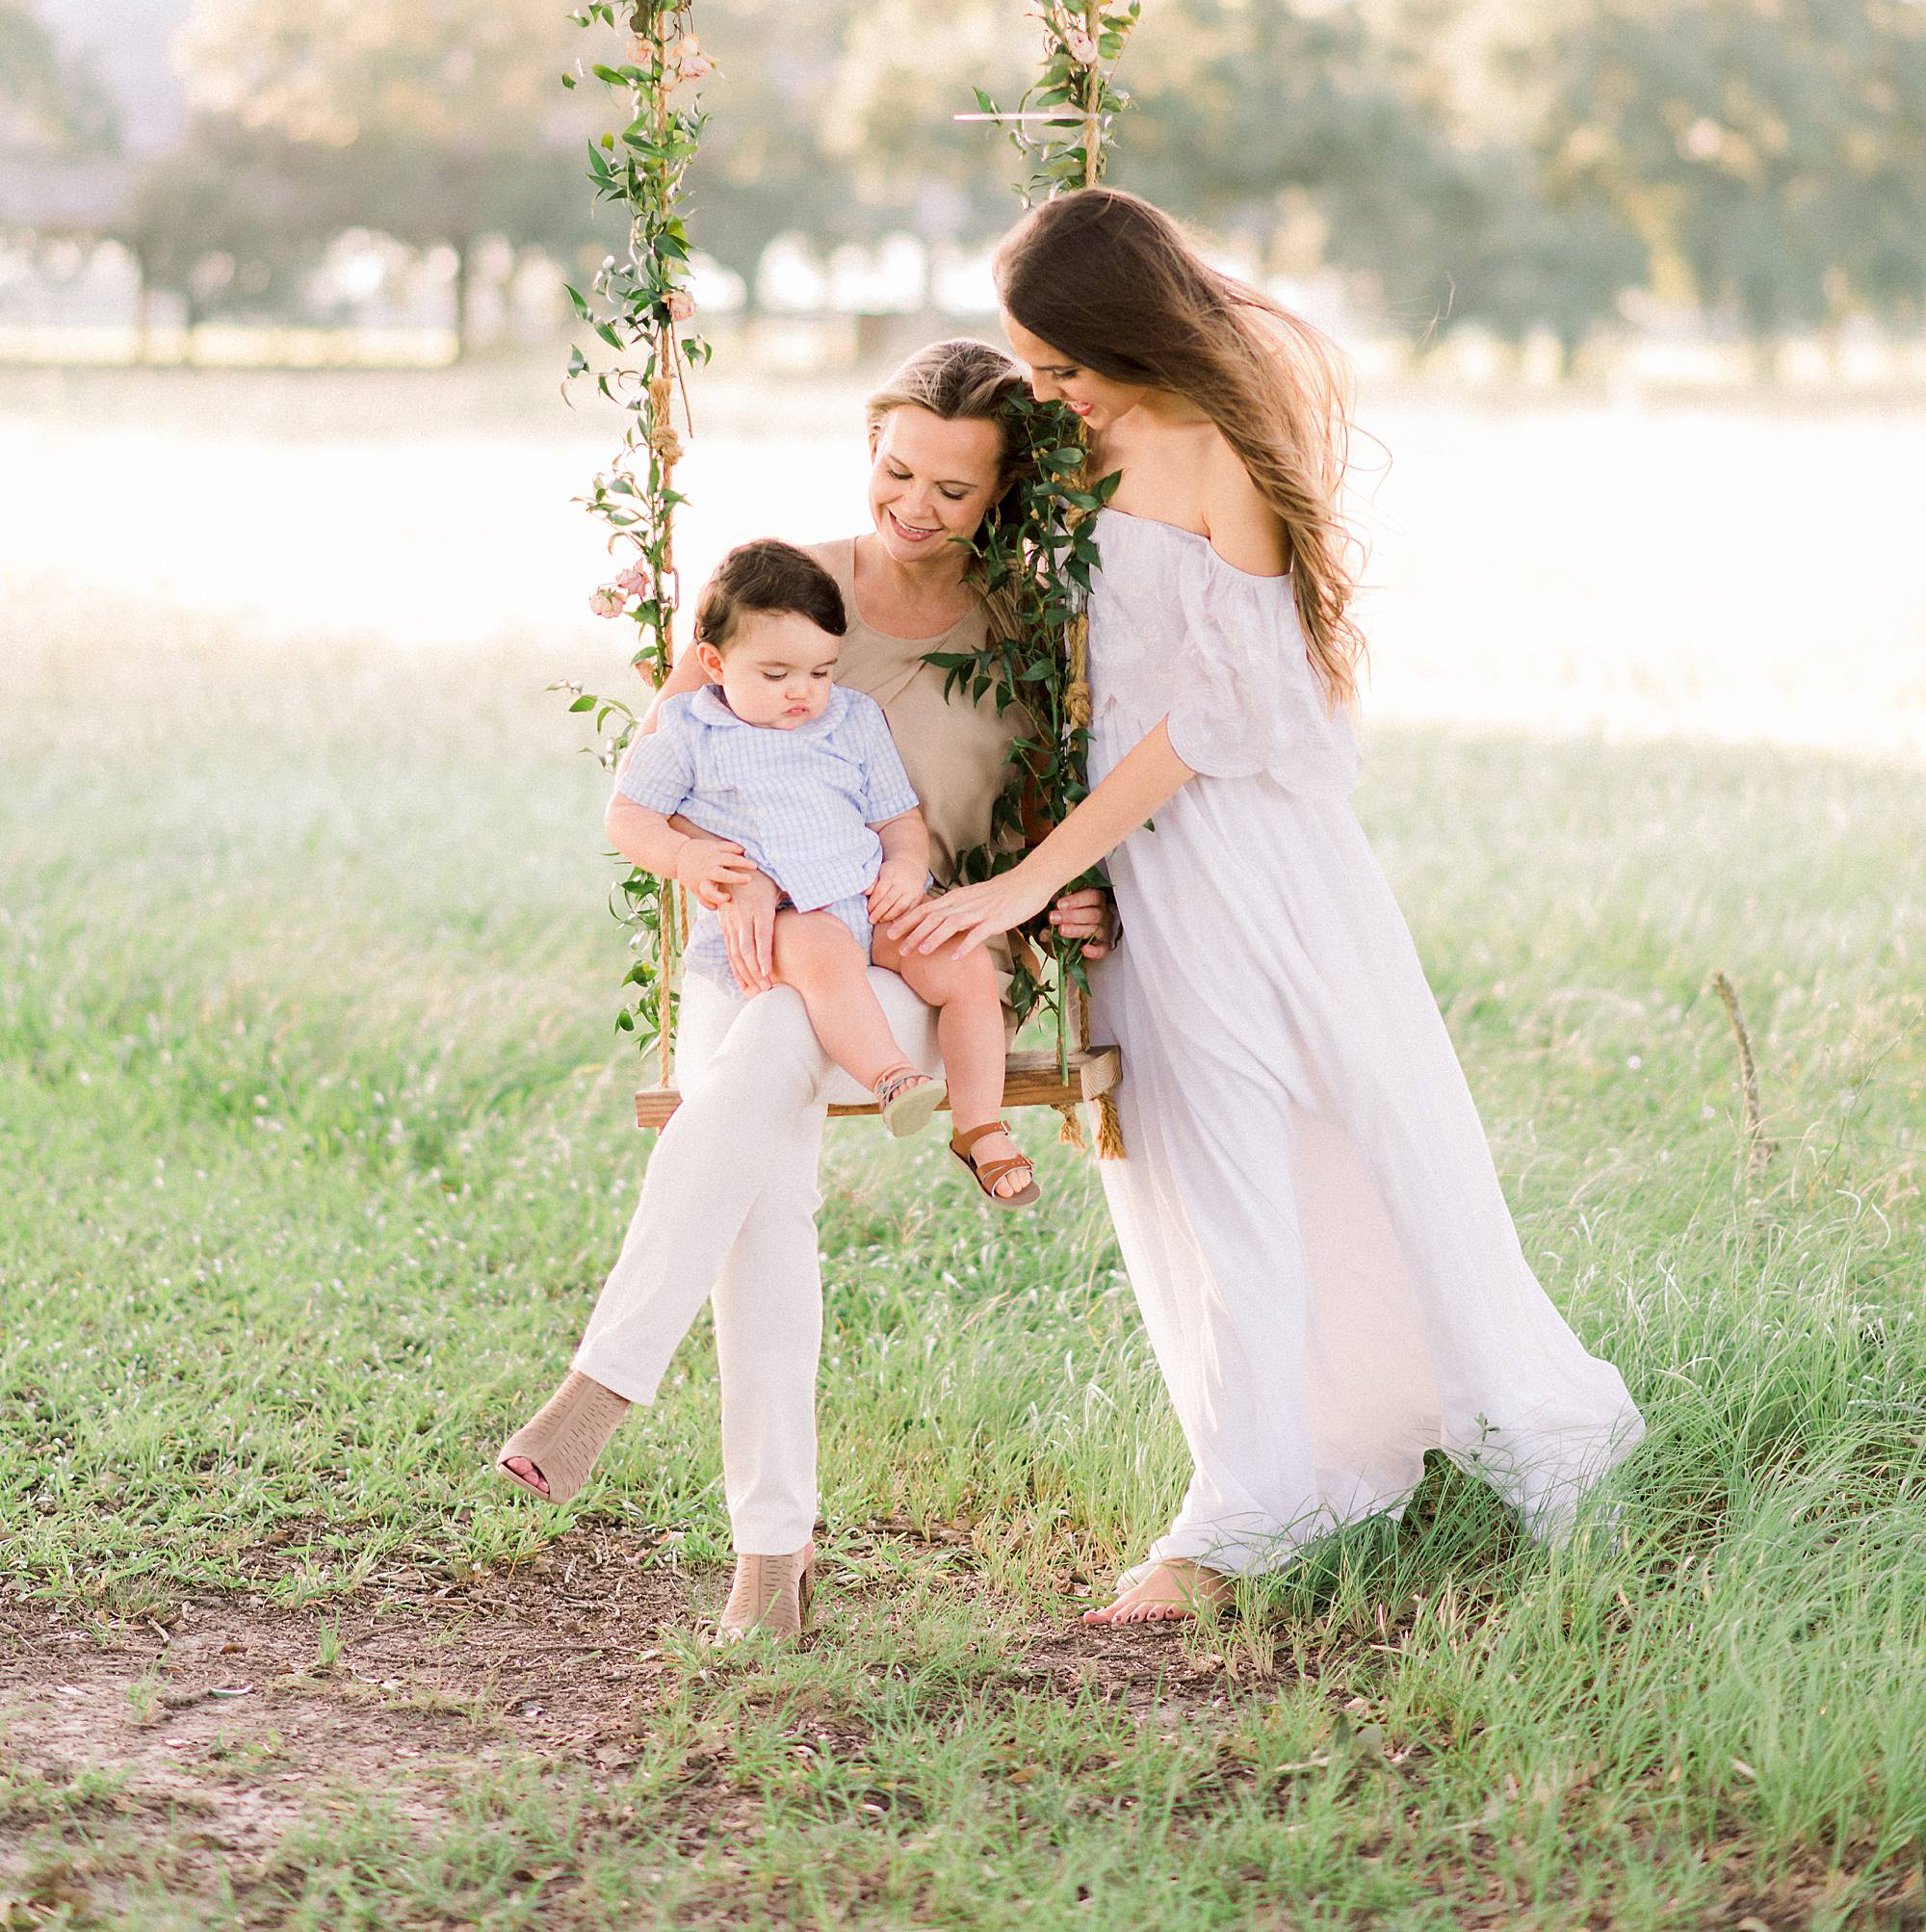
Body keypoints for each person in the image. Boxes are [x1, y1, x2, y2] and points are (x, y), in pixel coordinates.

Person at [908, 189, 1646, 1623]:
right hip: (1132, 859)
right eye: (1034, 368)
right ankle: (1268, 1473)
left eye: (1063, 363)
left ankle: (1457, 1447)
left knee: (1332, 1129)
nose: (1047, 391)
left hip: (1240, 849)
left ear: (1125, 329)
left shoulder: (1218, 452)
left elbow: (1213, 717)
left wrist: (1035, 871)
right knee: (1189, 1162)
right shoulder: (1078, 445)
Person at [495, 339, 1106, 1640]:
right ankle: (770, 1564)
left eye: (955, 487)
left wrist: (1067, 900)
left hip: (913, 967)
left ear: (1000, 495)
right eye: (897, 470)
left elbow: (1054, 825)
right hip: (750, 943)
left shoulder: (1028, 632)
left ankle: (607, 1390)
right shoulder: (778, 590)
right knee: (764, 1179)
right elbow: (662, 778)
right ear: (868, 453)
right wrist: (714, 867)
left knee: (776, 1049)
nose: (917, 506)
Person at [606, 534, 1035, 1187]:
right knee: (825, 953)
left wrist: (900, 866)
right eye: (776, 675)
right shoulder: (690, 731)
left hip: (867, 895)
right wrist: (688, 859)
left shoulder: (853, 719)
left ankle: (980, 1123)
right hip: (785, 918)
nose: (803, 692)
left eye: (821, 670)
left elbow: (898, 817)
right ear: (714, 663)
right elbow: (628, 815)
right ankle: (892, 1075)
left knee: (965, 961)